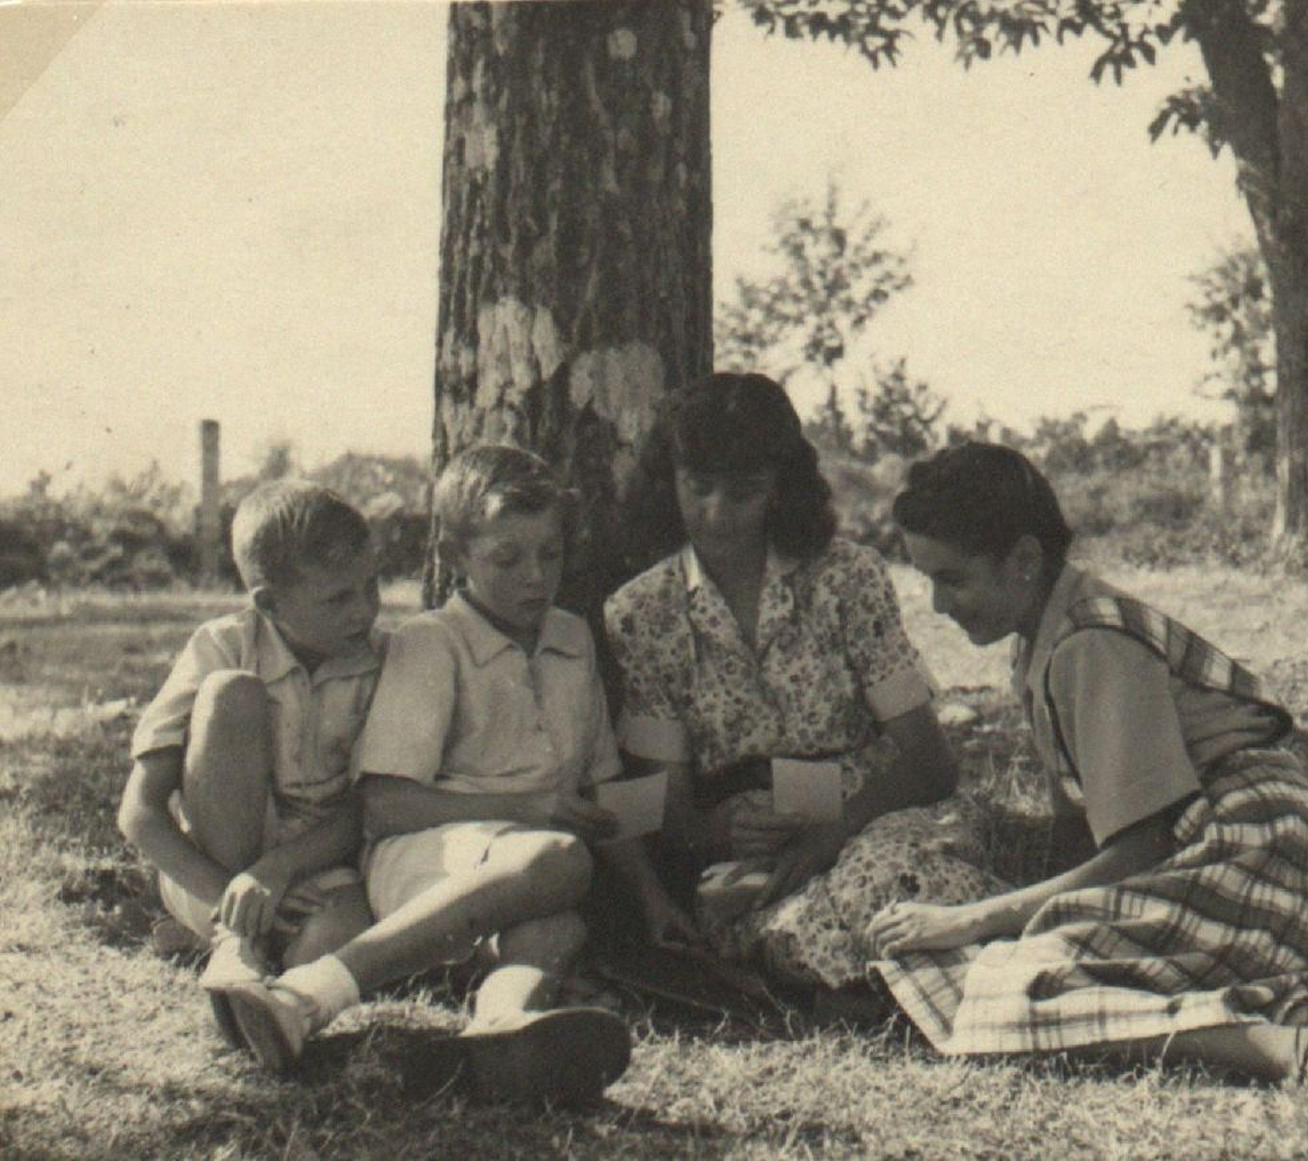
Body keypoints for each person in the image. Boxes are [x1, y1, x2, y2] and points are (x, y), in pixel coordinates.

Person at [867, 441, 1308, 1103]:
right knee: (1020, 956)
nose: (938, 604)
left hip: (1253, 851)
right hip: (1253, 855)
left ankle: (1303, 1051)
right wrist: (1041, 917)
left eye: (952, 578)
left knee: (1014, 990)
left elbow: (1140, 846)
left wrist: (974, 919)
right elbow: (1077, 830)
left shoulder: (1091, 642)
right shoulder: (1044, 639)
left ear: (1023, 560)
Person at [219, 446, 631, 1105]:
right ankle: (309, 994)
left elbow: (608, 790)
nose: (535, 577)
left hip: (508, 874)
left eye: (549, 553)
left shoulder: (573, 639)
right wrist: (533, 808)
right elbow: (383, 806)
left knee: (559, 926)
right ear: (454, 554)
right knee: (559, 859)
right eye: (507, 558)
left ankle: (500, 1030)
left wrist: (658, 900)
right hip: (421, 855)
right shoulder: (431, 642)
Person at [603, 372, 1007, 992]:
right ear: (669, 484)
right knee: (785, 924)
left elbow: (931, 762)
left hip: (876, 820)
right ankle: (895, 982)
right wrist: (719, 832)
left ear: (780, 489)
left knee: (893, 885)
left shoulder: (847, 578)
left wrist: (832, 836)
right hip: (758, 863)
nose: (716, 514)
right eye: (698, 488)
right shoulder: (642, 614)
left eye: (743, 492)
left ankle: (910, 981)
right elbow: (665, 807)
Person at [118, 480, 381, 1043]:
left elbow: (372, 803)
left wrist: (279, 873)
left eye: (372, 586)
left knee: (331, 942)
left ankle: (266, 1003)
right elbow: (138, 813)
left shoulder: (382, 659)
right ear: (268, 603)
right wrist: (232, 897)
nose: (364, 611)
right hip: (211, 868)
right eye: (338, 598)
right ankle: (231, 946)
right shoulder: (221, 644)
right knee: (231, 693)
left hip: (317, 868)